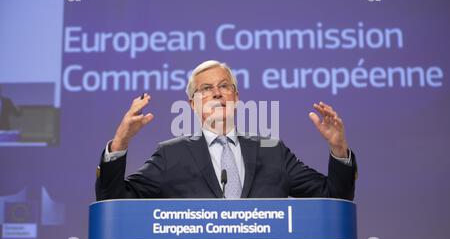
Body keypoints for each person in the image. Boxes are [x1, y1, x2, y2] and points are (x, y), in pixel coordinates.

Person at [95, 60, 357, 200]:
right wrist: (120, 143)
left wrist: (338, 148)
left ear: (236, 97)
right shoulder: (170, 155)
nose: (217, 93)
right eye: (206, 89)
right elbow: (114, 200)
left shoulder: (273, 152)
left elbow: (335, 196)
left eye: (224, 86)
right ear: (192, 104)